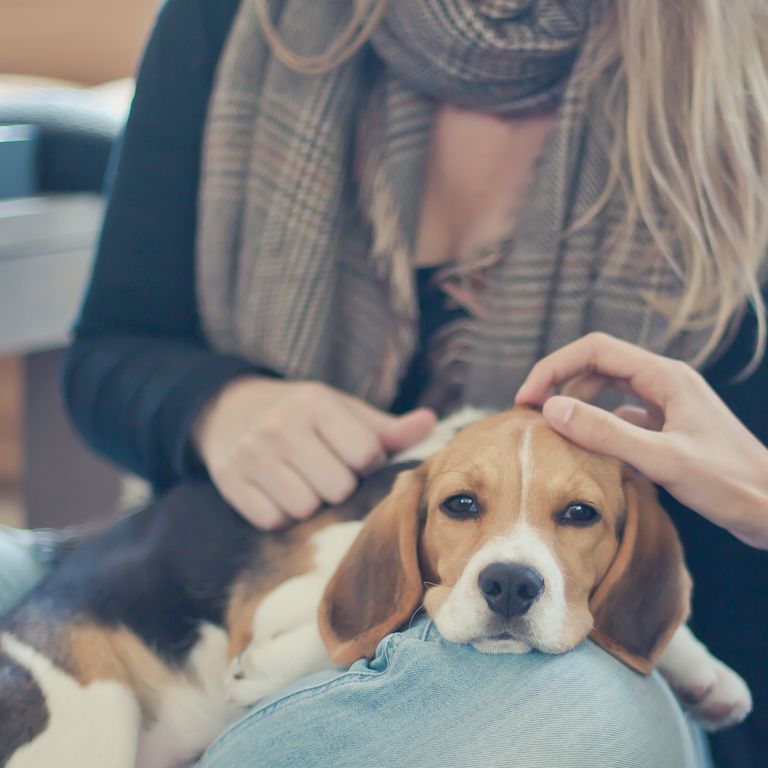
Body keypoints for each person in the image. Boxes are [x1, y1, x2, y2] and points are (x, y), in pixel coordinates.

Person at [2, 0, 767, 765]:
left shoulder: (743, 71)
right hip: (168, 589)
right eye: (464, 502)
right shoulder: (231, 17)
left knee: (546, 717)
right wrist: (214, 405)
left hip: (586, 665)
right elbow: (109, 355)